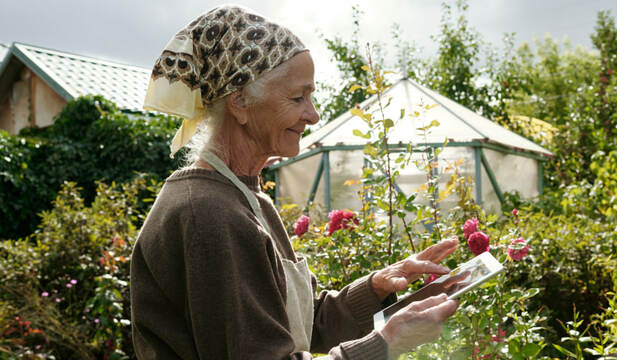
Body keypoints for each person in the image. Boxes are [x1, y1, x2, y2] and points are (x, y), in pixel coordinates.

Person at [130, 5, 459, 360]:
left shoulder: (247, 200)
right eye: (297, 97)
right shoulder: (209, 214)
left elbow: (300, 325)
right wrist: (385, 343)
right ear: (239, 101)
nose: (313, 114)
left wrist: (376, 287)